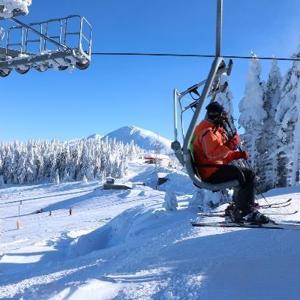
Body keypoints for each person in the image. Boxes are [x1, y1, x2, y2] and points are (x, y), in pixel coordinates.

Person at [192, 101, 269, 225]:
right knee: (246, 174)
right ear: (216, 116)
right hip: (210, 171)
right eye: (223, 117)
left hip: (212, 168)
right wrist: (231, 145)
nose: (224, 120)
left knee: (245, 173)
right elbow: (213, 155)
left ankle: (242, 205)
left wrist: (238, 154)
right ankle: (245, 211)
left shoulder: (211, 128)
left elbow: (219, 156)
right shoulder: (207, 131)